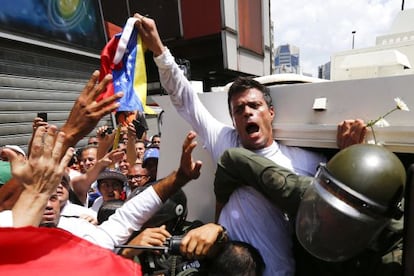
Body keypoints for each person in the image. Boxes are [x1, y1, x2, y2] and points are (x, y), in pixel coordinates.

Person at [133, 12, 366, 276]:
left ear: (270, 112)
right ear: (233, 121)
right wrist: (158, 48)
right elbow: (184, 98)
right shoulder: (224, 140)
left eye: (255, 106)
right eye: (239, 109)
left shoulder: (303, 161)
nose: (247, 112)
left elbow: (337, 206)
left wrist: (352, 155)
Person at [214, 144, 405, 276]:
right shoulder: (307, 194)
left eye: (341, 219)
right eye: (325, 205)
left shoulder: (392, 255)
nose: (325, 217)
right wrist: (216, 224)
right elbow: (233, 159)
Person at [37, 130, 202, 252]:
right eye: (40, 197)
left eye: (53, 197)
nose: (48, 205)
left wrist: (179, 178)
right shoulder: (11, 233)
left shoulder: (82, 231)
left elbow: (127, 217)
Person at [0, 70, 123, 216]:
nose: (57, 187)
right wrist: (70, 134)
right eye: (52, 183)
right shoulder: (24, 221)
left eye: (63, 182)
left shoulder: (85, 219)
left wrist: (72, 135)